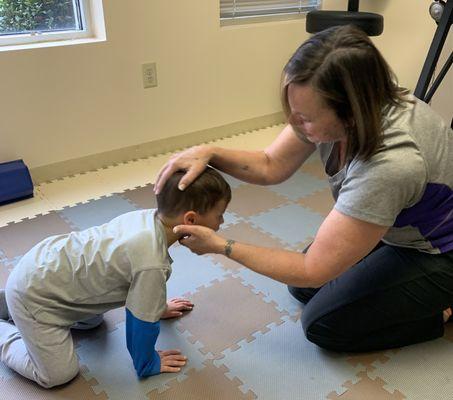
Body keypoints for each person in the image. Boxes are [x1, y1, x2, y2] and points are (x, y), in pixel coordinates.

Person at [154, 25, 453, 353]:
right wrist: (210, 152)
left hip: (439, 252)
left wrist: (221, 245)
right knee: (302, 289)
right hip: (399, 227)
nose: (295, 125)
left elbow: (313, 270)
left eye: (306, 118)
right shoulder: (361, 97)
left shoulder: (390, 164)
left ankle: (439, 312)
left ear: (351, 113)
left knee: (324, 325)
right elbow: (271, 164)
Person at [0, 167, 231, 388]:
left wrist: (158, 307)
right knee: (58, 375)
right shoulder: (151, 263)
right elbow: (141, 322)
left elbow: (142, 287)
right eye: (219, 216)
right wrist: (147, 362)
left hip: (40, 268)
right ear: (190, 220)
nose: (221, 222)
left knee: (94, 322)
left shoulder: (146, 219)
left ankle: (10, 302)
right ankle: (7, 321)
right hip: (36, 298)